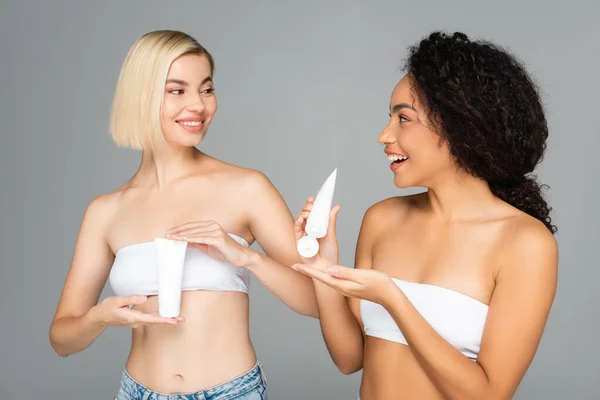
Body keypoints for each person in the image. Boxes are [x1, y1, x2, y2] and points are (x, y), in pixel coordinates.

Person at [49, 30, 318, 400]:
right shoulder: (106, 211)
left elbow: (321, 302)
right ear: (141, 96)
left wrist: (248, 258)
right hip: (136, 392)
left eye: (206, 89)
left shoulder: (246, 188)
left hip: (231, 392)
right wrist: (100, 317)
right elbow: (62, 339)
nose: (199, 105)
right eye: (177, 90)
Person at [291, 31, 559, 400]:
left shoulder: (525, 243)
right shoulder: (382, 219)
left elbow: (489, 394)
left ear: (461, 127)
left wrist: (394, 298)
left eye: (404, 119)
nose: (383, 135)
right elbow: (349, 358)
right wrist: (324, 270)